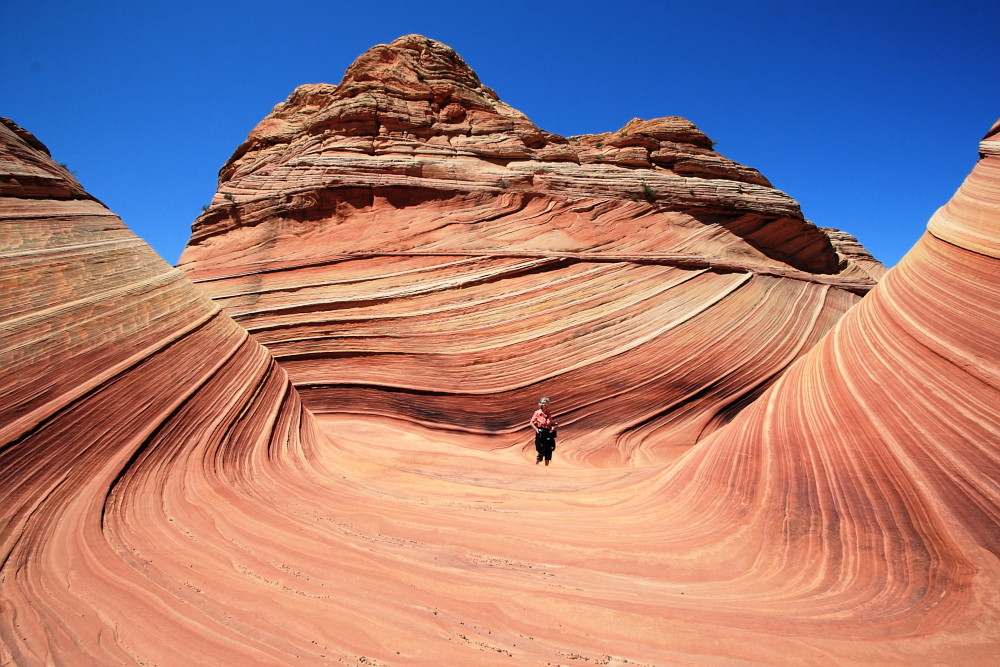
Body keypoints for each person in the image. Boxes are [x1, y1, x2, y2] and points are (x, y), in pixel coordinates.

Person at [530, 397, 557, 465]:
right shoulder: (537, 413)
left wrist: (554, 425)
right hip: (541, 432)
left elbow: (550, 422)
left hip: (548, 432)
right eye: (545, 404)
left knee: (549, 449)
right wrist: (536, 430)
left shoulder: (548, 413)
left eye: (547, 404)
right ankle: (536, 465)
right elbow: (531, 422)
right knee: (541, 449)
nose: (546, 406)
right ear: (541, 405)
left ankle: (546, 467)